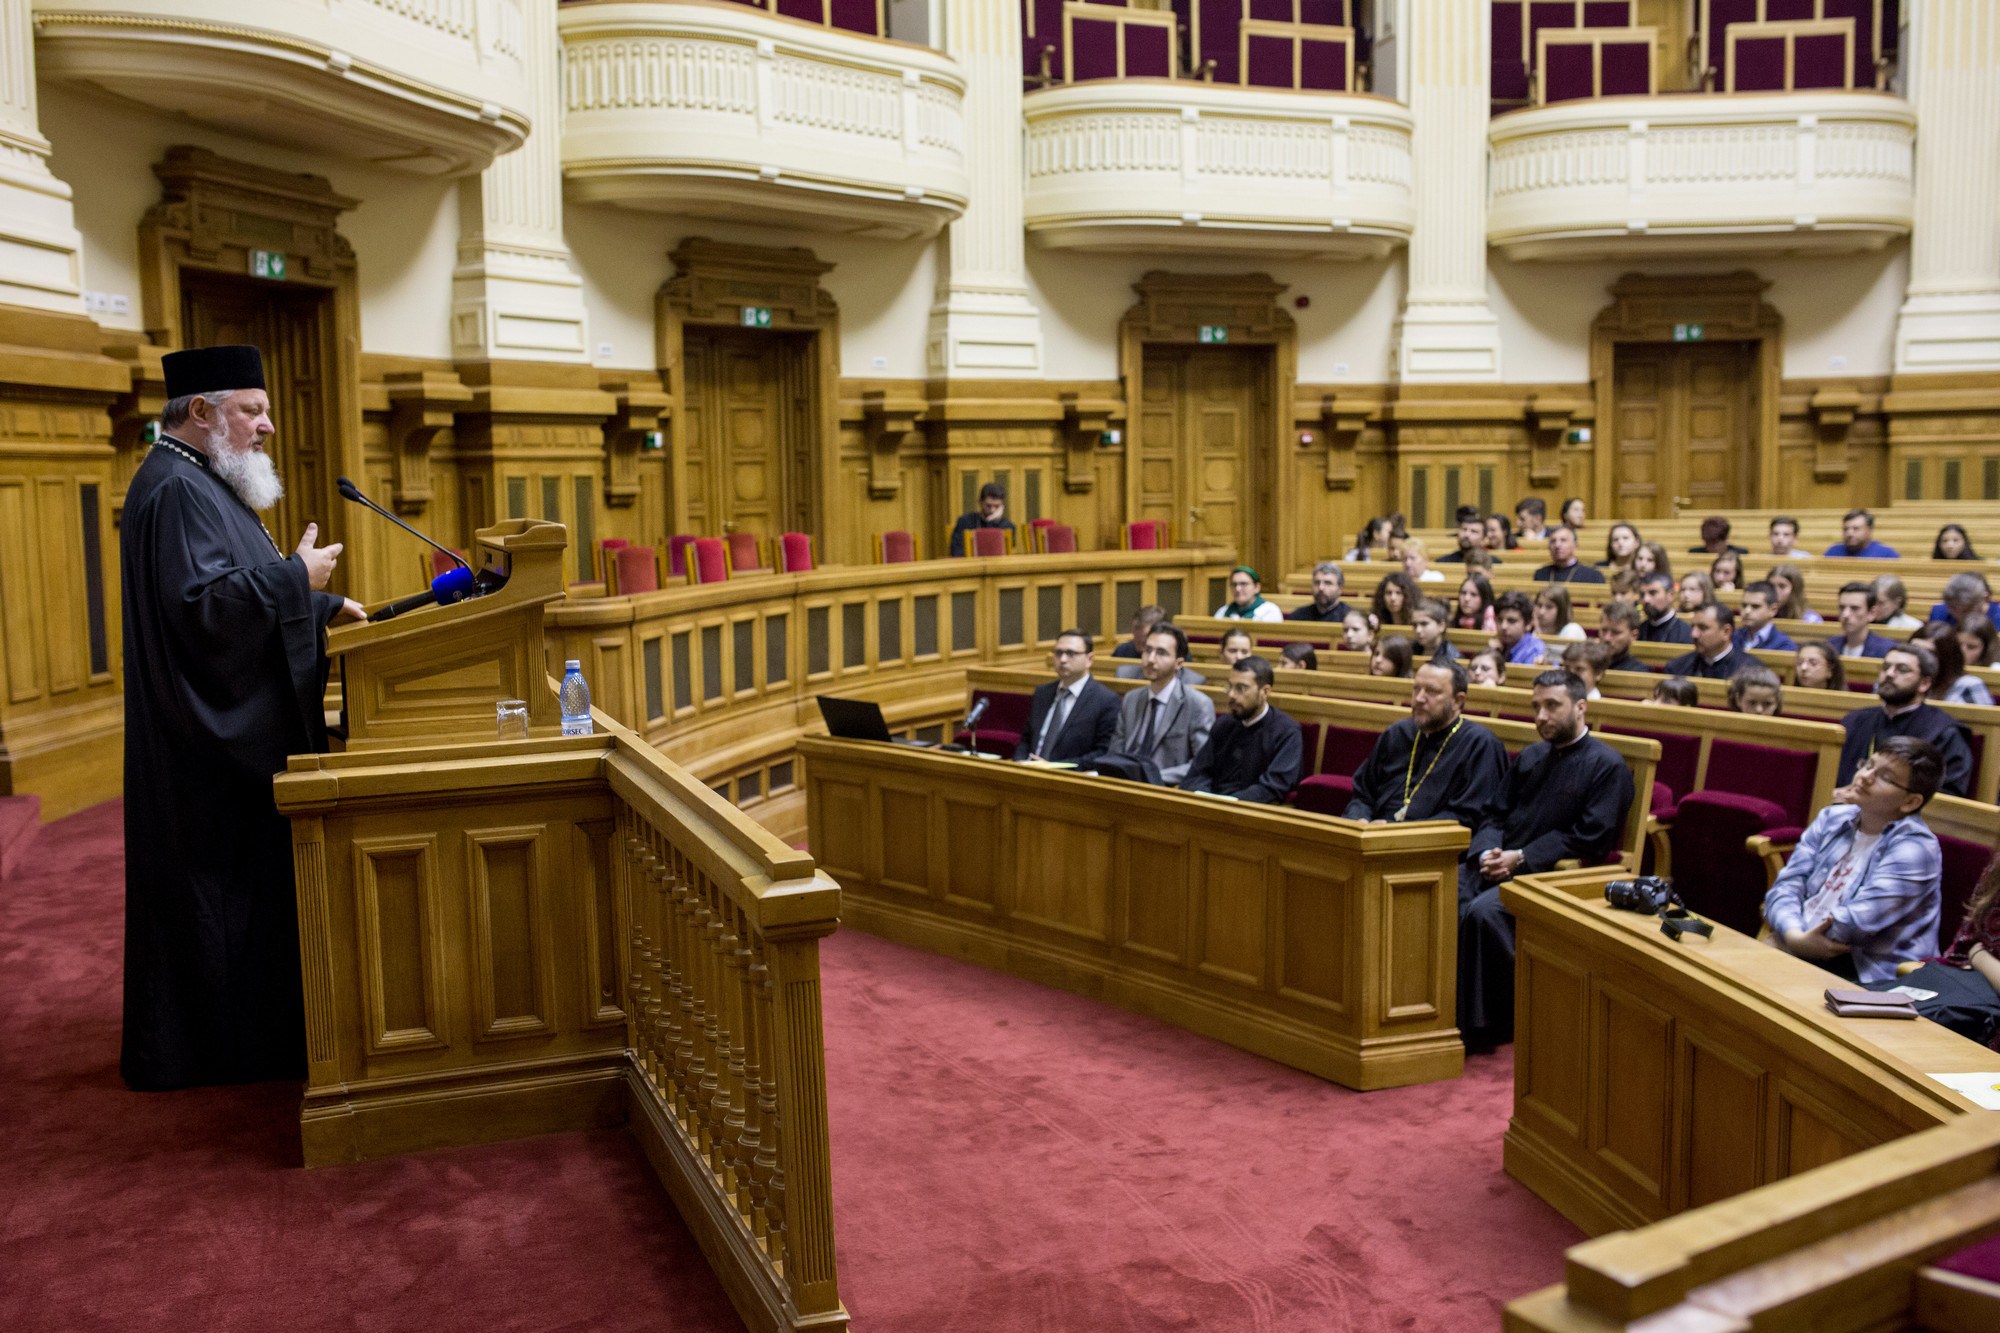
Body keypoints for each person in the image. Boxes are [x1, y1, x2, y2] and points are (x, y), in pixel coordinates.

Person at [121, 344, 367, 1091]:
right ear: (200, 412)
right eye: (250, 410)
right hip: (200, 756)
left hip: (209, 745)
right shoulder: (172, 491)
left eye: (265, 411)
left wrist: (315, 603)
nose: (266, 426)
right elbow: (202, 615)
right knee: (217, 902)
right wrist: (296, 577)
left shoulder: (200, 482)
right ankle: (216, 1049)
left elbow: (226, 592)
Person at [1458, 670, 1634, 1048]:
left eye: (1552, 706)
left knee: (1483, 912)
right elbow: (1493, 813)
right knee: (1437, 888)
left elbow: (1592, 838)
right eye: (1536, 707)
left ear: (1581, 707)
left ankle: (1489, 1024)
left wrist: (1519, 858)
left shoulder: (1608, 766)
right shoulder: (1532, 756)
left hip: (1550, 875)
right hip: (1500, 863)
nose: (1541, 716)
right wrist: (1487, 849)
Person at [1765, 737, 1943, 983]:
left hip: (1869, 972)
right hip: (1804, 942)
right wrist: (1794, 935)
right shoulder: (1832, 818)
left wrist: (1792, 937)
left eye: (1885, 777)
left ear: (1910, 802)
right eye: (1869, 765)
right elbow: (1786, 886)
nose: (1866, 776)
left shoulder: (1916, 848)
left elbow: (1856, 924)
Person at [1345, 660, 1509, 826]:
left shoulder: (1480, 744)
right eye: (1416, 688)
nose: (1419, 698)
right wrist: (1359, 821)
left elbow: (1468, 818)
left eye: (1431, 691)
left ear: (1457, 701)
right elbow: (1363, 795)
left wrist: (1397, 832)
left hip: (1432, 847)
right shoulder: (1398, 733)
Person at [1877, 851, 2000, 1043]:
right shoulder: (1997, 867)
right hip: (1974, 999)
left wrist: (1978, 955)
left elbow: (1973, 949)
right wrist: (1976, 954)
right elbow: (1963, 945)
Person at [1835, 642, 1973, 798]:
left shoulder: (1945, 732)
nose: (1889, 674)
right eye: (1886, 667)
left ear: (1924, 683)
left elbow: (1947, 796)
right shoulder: (1854, 721)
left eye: (1902, 669)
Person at [1180, 656, 1303, 803]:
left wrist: (1229, 803)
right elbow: (1198, 772)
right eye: (1230, 686)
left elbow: (1274, 786)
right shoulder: (1224, 724)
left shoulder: (1287, 732)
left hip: (1252, 814)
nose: (1231, 695)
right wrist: (1205, 797)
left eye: (1241, 688)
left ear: (1265, 692)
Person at [1106, 624, 1215, 786]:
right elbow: (1115, 752)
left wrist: (1149, 776)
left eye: (1161, 653)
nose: (1150, 659)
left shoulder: (1198, 704)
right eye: (1148, 650)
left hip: (1166, 789)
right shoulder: (1132, 698)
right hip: (1126, 786)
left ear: (1178, 663)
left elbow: (1201, 764)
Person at [1014, 629, 1121, 764]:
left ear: (1089, 659)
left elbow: (1102, 753)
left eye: (1071, 653)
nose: (1063, 660)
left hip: (1070, 778)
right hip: (1030, 773)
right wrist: (1019, 762)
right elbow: (1026, 739)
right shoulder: (1042, 693)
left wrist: (1054, 767)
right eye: (1058, 653)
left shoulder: (1106, 701)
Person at [1663, 602, 1758, 680]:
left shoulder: (1752, 671)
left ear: (1726, 632)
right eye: (1693, 627)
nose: (1694, 634)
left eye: (1703, 628)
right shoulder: (1677, 668)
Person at [1914, 621, 1994, 706]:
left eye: (1929, 653)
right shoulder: (1904, 683)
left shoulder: (1969, 685)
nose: (1918, 659)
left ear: (1947, 657)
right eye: (1914, 650)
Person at [1832, 581, 1898, 659]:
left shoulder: (1886, 650)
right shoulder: (1830, 647)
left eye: (1855, 608)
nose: (1845, 614)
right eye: (1842, 608)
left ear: (1872, 613)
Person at [948, 481, 1015, 557]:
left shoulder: (1007, 526)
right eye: (988, 506)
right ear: (980, 502)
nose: (992, 510)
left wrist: (992, 522)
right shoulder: (965, 521)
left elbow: (1000, 552)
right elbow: (956, 552)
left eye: (996, 506)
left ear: (1002, 506)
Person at [1735, 580, 1797, 654]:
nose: (1747, 611)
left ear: (1773, 610)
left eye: (1755, 606)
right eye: (1744, 606)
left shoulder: (1783, 645)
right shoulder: (1731, 637)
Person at [1928, 571, 2000, 632]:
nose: (1959, 615)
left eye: (1967, 610)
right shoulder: (1938, 613)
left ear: (1985, 599)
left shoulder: (1998, 618)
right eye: (1953, 607)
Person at [1533, 524, 1606, 584]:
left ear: (1575, 546)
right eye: (1553, 541)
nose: (1557, 545)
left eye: (1563, 540)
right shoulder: (1540, 574)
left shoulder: (1593, 576)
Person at [1636, 572, 1694, 645]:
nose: (1646, 599)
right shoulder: (1637, 631)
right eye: (1642, 595)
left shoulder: (1686, 633)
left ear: (1670, 595)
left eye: (1653, 593)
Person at [1494, 590, 1547, 667]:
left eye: (1511, 621)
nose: (1503, 626)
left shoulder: (1535, 652)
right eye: (1500, 620)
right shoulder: (1499, 646)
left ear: (1528, 624)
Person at [1598, 600, 1653, 673]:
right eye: (1604, 630)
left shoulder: (1639, 672)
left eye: (1616, 632)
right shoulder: (1587, 666)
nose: (1607, 638)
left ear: (1633, 636)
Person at [1289, 562, 1355, 622]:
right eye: (1317, 583)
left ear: (1340, 589)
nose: (1321, 588)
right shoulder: (1297, 617)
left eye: (1328, 583)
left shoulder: (1350, 619)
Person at [1216, 565, 1284, 621]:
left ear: (1257, 587)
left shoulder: (1269, 611)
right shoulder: (1223, 612)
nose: (1238, 589)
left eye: (1243, 584)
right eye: (1234, 584)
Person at [1827, 508, 1898, 559]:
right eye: (1846, 529)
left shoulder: (1886, 554)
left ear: (1869, 530)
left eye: (1856, 529)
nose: (1849, 534)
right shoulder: (1833, 552)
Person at [1412, 599, 1459, 663]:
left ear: (1441, 626)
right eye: (1414, 625)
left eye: (1424, 624)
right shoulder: (1410, 650)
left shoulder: (1452, 657)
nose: (1418, 630)